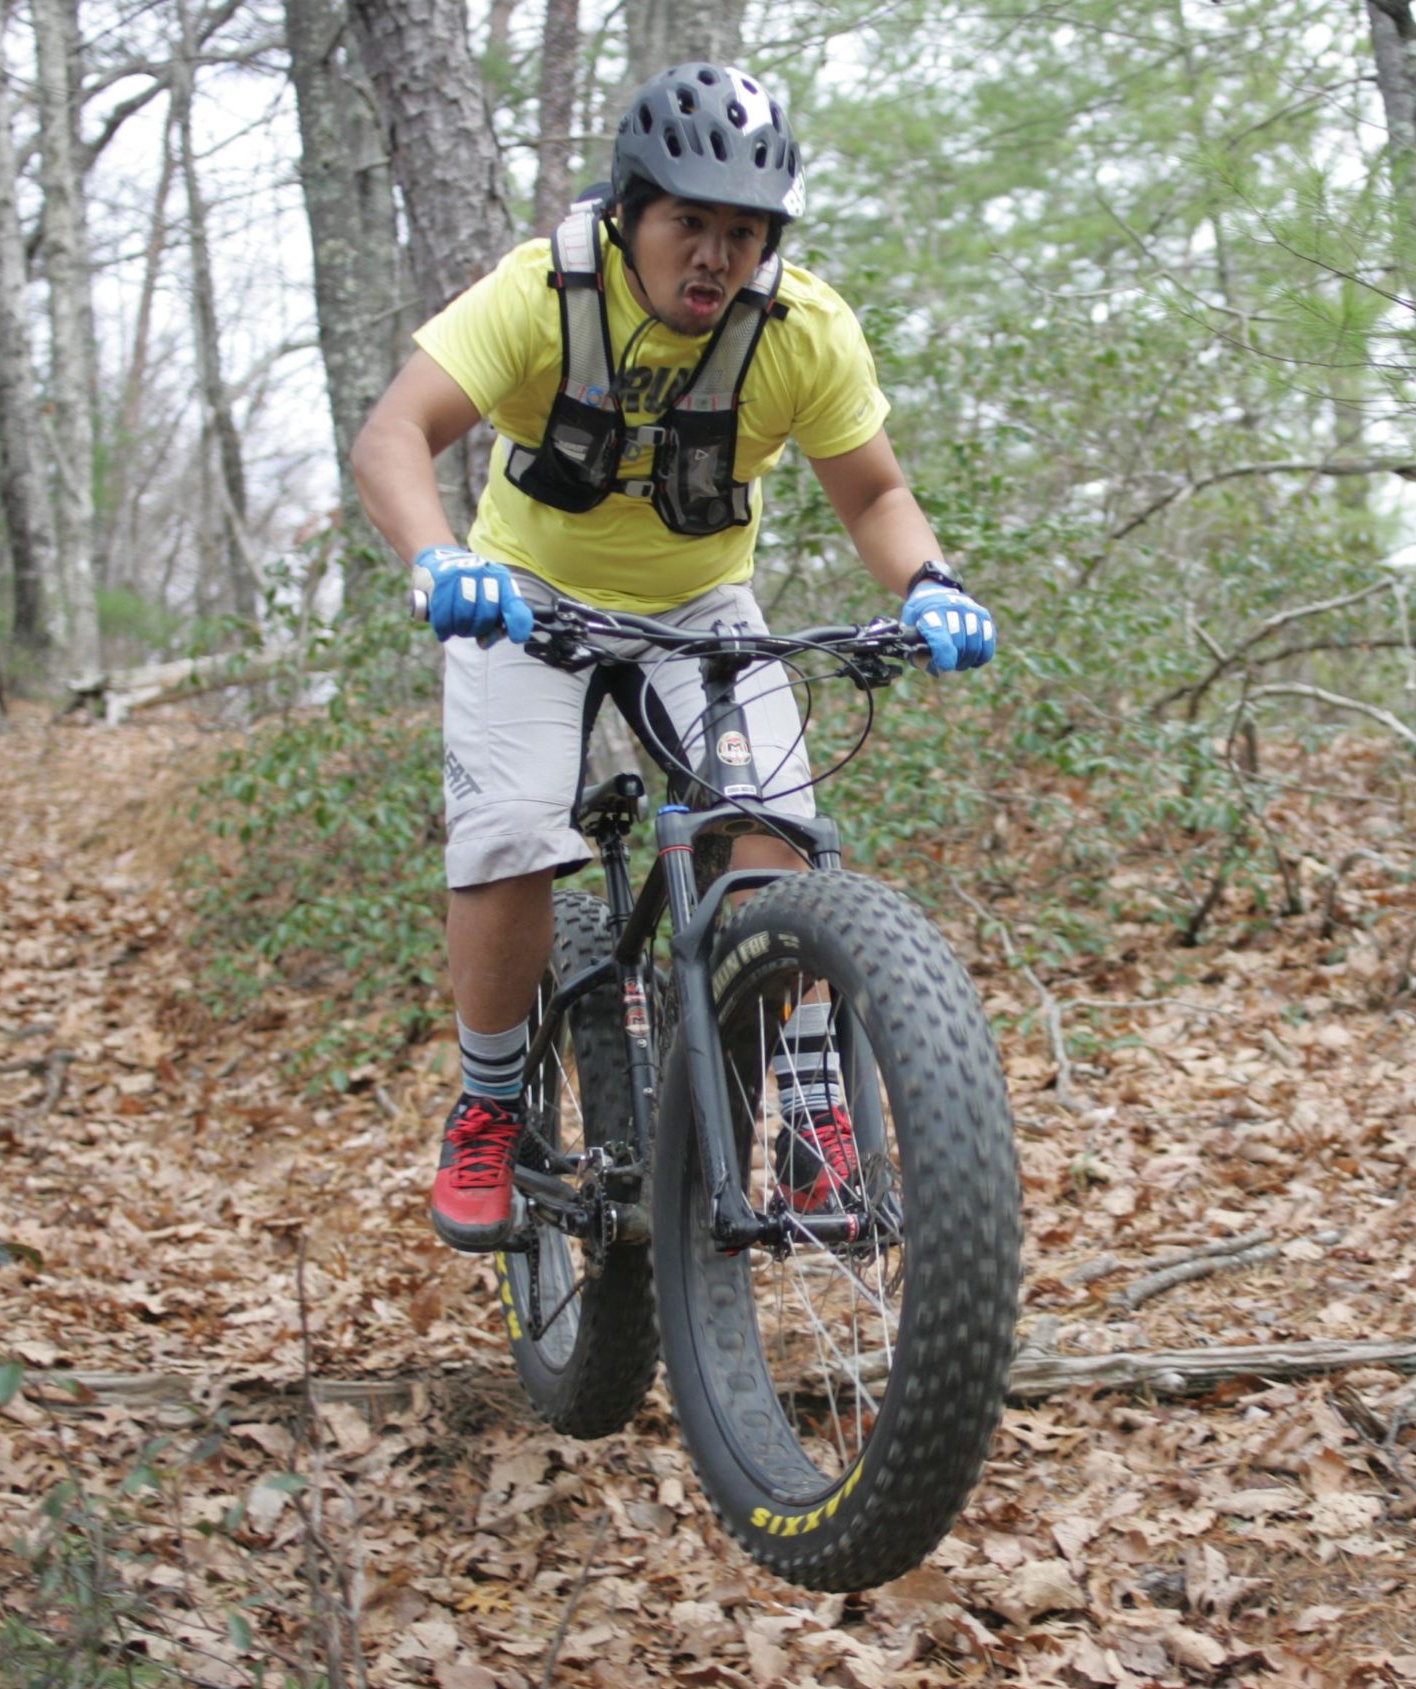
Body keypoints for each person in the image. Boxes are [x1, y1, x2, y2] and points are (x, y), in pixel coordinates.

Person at [351, 63, 998, 1253]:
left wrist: (930, 582)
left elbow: (874, 493)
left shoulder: (801, 329)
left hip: (700, 607)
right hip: (526, 599)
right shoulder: (540, 293)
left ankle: (808, 1109)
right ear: (629, 211)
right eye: (686, 221)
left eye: (740, 231)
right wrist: (440, 559)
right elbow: (396, 433)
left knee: (779, 834)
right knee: (505, 835)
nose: (712, 254)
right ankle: (491, 1102)